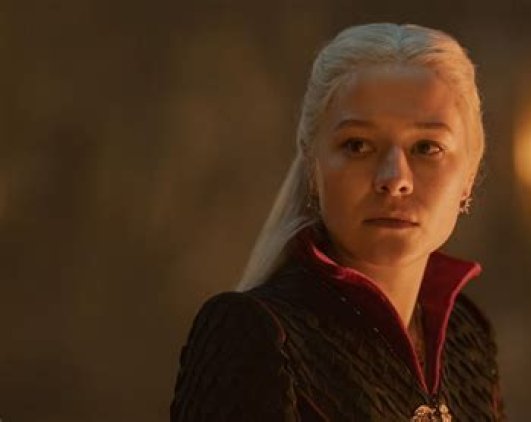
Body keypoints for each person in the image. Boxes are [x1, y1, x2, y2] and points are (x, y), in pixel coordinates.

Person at [171, 23, 506, 421]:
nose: (394, 179)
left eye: (426, 147)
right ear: (313, 166)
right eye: (358, 145)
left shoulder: (467, 336)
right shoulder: (255, 334)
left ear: (469, 174)